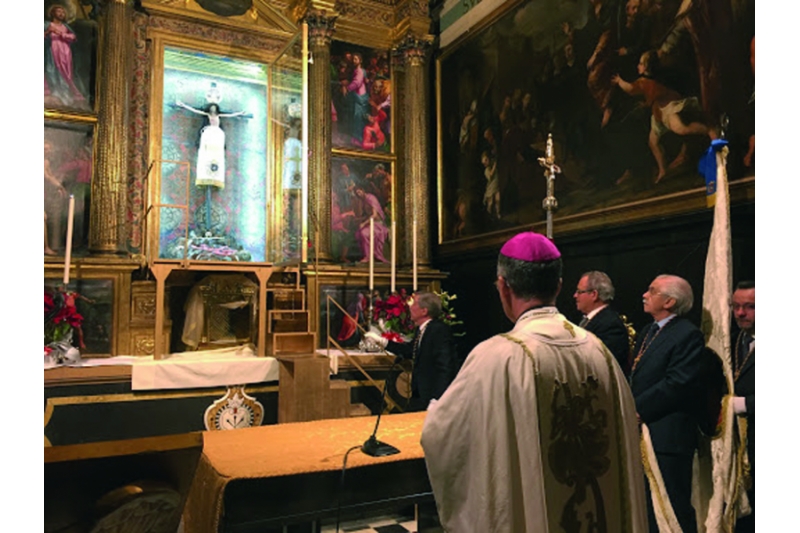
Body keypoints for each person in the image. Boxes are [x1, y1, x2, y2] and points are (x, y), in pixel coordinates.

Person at [420, 232, 647, 532]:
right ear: (559, 286)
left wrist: (435, 411)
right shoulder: (598, 351)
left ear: (504, 287)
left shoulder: (497, 357)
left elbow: (442, 436)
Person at [631, 274, 710, 533]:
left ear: (669, 302)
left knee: (672, 508)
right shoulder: (648, 331)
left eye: (652, 291)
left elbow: (677, 383)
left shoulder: (688, 335)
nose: (644, 294)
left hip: (667, 436)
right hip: (644, 432)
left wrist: (637, 409)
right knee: (647, 509)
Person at [365, 291, 458, 412]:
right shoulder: (423, 329)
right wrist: (383, 342)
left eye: (413, 304)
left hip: (431, 397)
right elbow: (410, 350)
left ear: (424, 311)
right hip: (421, 395)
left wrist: (437, 399)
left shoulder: (438, 330)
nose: (409, 306)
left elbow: (445, 367)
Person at [176, 92, 247, 189]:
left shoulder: (219, 117)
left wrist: (240, 113)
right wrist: (183, 105)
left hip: (217, 136)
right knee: (206, 156)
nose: (213, 111)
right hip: (208, 135)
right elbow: (194, 110)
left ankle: (215, 176)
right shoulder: (206, 116)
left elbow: (230, 115)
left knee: (217, 156)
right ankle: (205, 175)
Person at [730, 280, 755, 533]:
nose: (740, 313)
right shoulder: (734, 340)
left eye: (749, 307)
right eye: (736, 306)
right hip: (739, 443)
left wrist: (745, 404)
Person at [574, 270, 631, 375]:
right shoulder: (590, 320)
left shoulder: (610, 325)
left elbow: (602, 364)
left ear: (594, 294)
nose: (575, 296)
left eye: (579, 292)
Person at [44, 4, 87, 108]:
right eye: (59, 11)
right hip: (52, 50)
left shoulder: (65, 27)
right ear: (52, 13)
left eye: (63, 12)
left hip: (65, 52)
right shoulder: (47, 24)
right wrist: (48, 32)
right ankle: (54, 93)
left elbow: (73, 37)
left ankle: (66, 95)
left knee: (66, 73)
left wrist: (62, 35)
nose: (61, 14)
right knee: (52, 71)